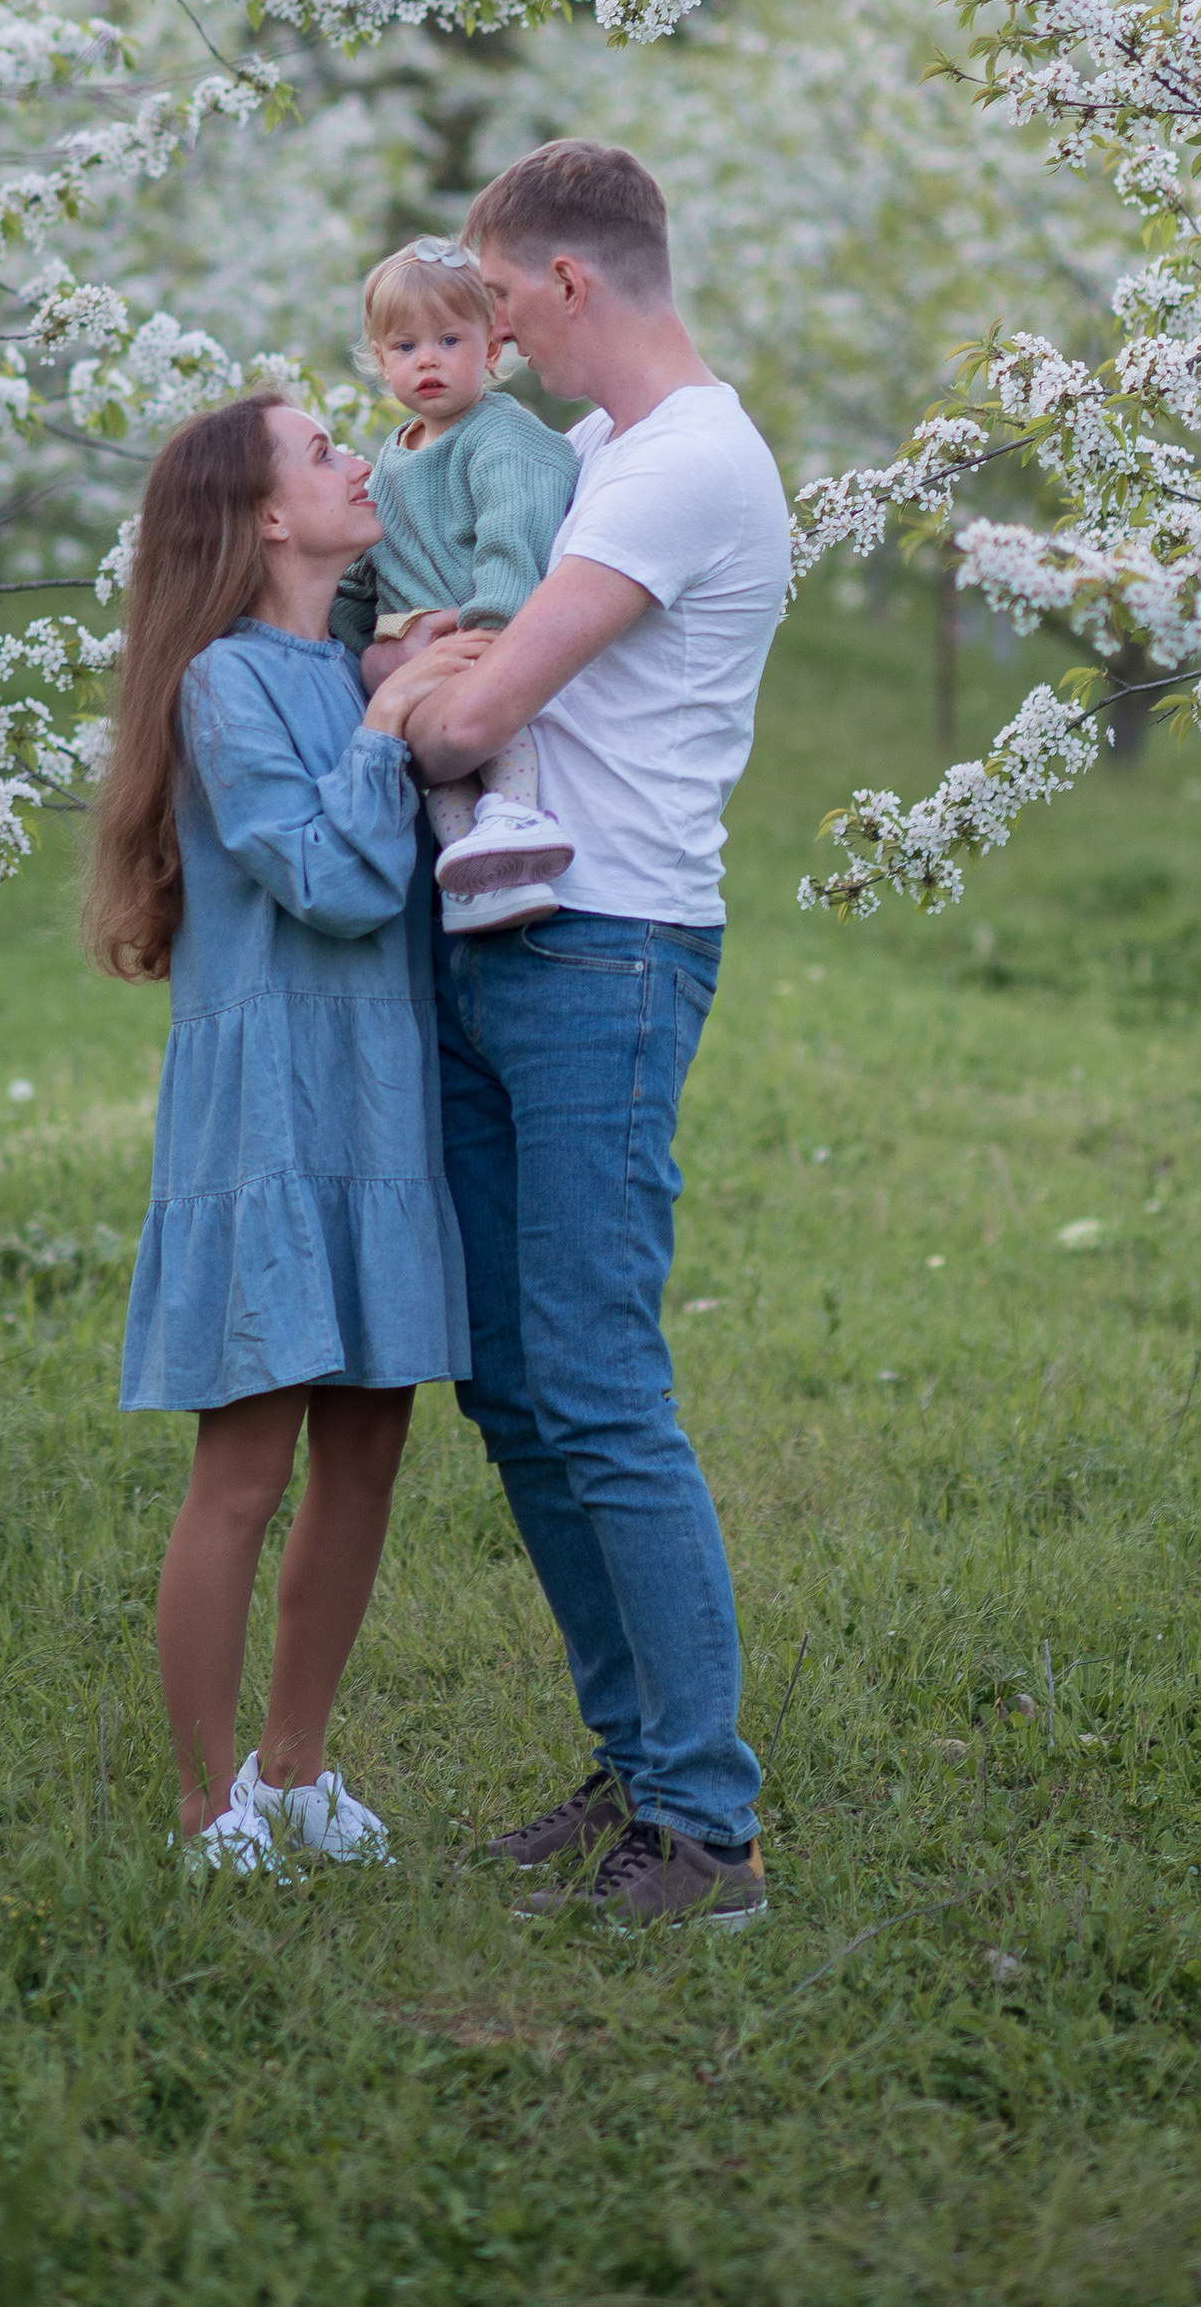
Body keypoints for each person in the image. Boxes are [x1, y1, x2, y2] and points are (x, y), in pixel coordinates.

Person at [394, 140, 792, 1932]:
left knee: (600, 1380)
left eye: (496, 299)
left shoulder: (689, 460)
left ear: (569, 281)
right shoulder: (587, 454)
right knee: (513, 1379)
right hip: (503, 938)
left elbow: (477, 706)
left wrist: (407, 689)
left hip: (606, 948)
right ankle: (638, 1763)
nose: (484, 332)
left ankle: (708, 1827)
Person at [86, 390, 480, 1875]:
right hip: (267, 1113)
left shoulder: (347, 663)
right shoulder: (220, 687)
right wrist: (386, 720)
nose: (358, 460)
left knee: (369, 1449)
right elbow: (328, 875)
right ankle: (208, 1808)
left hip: (379, 1097)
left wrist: (400, 680)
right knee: (244, 1468)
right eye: (323, 453)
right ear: (262, 516)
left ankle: (299, 1767)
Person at [328, 235, 583, 935]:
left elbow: (512, 534)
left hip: (482, 643)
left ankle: (514, 813)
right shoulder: (391, 457)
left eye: (449, 339)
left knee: (498, 737)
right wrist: (359, 649)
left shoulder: (500, 436)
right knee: (440, 777)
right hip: (416, 669)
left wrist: (493, 631)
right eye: (405, 347)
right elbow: (363, 571)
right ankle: (476, 869)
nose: (429, 359)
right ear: (380, 361)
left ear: (491, 349)